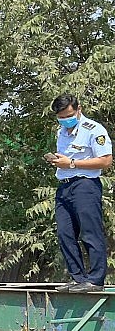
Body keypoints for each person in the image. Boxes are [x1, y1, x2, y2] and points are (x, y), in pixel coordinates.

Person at [47, 94, 112, 293]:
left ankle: (95, 280)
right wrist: (59, 162)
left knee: (90, 232)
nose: (66, 120)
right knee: (65, 233)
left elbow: (106, 161)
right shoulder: (62, 132)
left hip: (85, 185)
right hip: (64, 186)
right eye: (61, 117)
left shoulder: (94, 130)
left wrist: (72, 163)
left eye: (68, 115)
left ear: (78, 109)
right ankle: (78, 278)